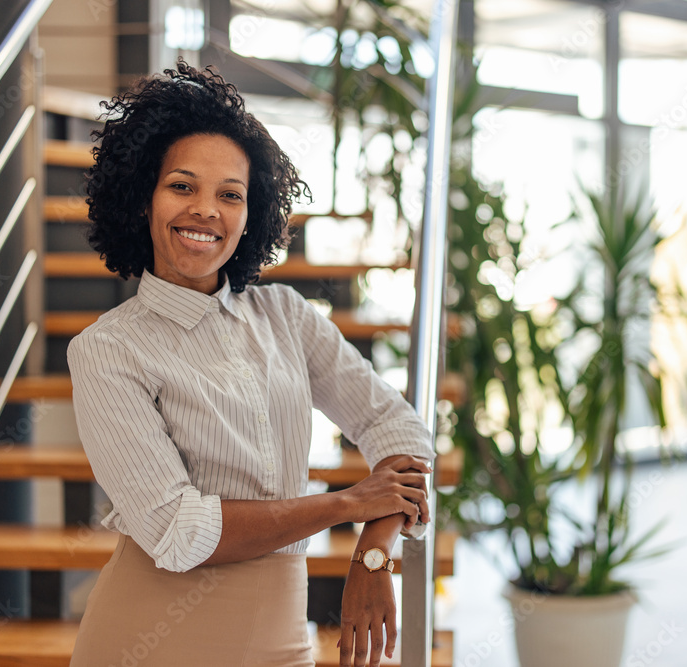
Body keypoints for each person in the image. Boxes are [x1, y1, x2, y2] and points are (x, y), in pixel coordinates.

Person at [66, 61, 435, 667]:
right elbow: (179, 530)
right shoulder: (108, 351)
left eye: (229, 194)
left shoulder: (286, 316)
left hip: (282, 641)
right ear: (140, 199)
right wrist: (347, 504)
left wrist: (374, 550)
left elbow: (395, 426)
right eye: (182, 186)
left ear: (250, 214)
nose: (206, 210)